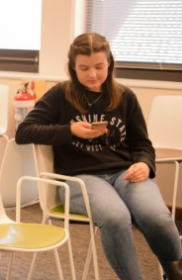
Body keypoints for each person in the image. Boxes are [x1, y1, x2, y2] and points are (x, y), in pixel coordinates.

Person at [15, 32, 182, 280]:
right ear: (72, 67)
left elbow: (142, 144)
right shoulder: (60, 95)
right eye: (84, 68)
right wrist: (69, 130)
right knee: (115, 218)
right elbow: (24, 131)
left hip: (124, 173)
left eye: (99, 67)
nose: (92, 74)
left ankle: (174, 273)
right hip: (79, 179)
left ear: (110, 63)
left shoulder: (125, 96)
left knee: (157, 217)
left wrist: (145, 164)